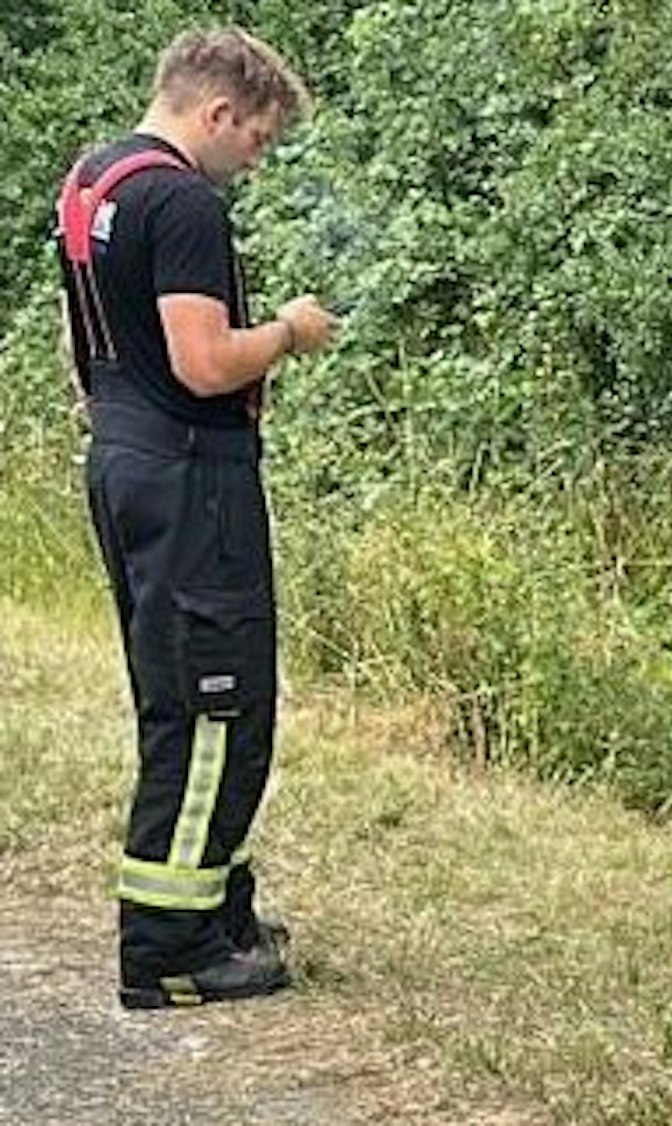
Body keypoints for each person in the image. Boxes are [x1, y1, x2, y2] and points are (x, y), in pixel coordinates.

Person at [54, 27, 338, 1009]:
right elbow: (205, 361)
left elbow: (82, 345)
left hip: (126, 460)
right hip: (187, 478)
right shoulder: (180, 201)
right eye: (255, 138)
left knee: (180, 695)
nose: (252, 159)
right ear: (216, 113)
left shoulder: (94, 180)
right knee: (218, 706)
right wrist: (291, 333)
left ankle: (213, 905)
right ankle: (171, 948)